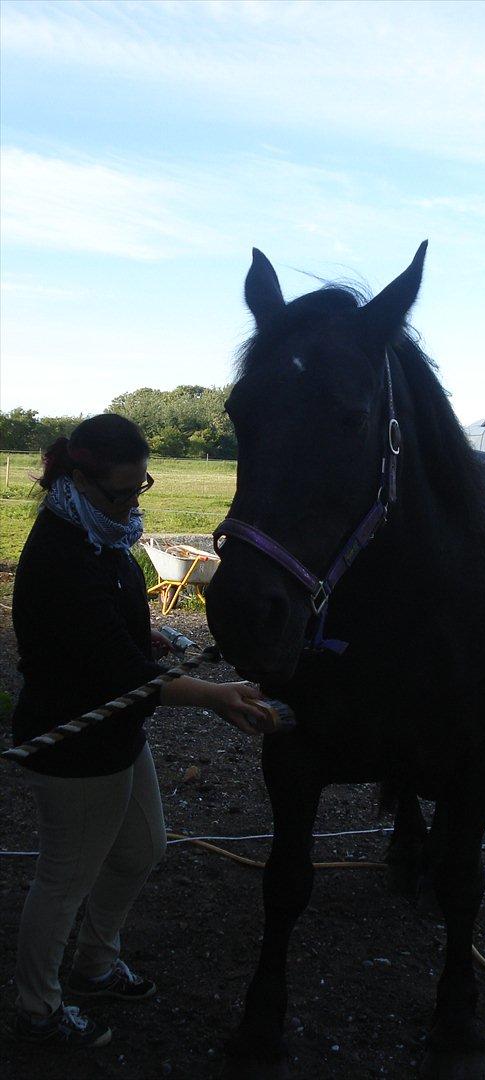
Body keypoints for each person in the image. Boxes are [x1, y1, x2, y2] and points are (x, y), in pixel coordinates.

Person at [10, 414, 265, 1049]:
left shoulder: (98, 530)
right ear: (78, 476)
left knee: (141, 848)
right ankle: (36, 1009)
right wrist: (215, 695)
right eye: (121, 492)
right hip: (73, 740)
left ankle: (95, 965)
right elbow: (121, 675)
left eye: (139, 488)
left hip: (117, 732)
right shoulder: (62, 553)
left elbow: (108, 631)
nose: (131, 504)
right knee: (65, 876)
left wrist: (139, 628)